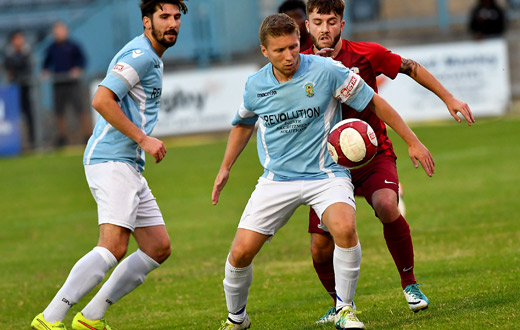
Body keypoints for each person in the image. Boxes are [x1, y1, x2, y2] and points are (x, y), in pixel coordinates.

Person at [212, 13, 434, 330]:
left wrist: (412, 140)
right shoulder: (255, 85)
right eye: (280, 51)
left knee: (344, 229)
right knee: (240, 254)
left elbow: (374, 103)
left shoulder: (326, 70)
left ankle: (345, 309)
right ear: (264, 51)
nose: (289, 56)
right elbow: (243, 123)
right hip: (277, 181)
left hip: (325, 175)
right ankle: (237, 319)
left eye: (294, 47)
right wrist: (224, 169)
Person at [301, 0, 475, 323]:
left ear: (342, 24)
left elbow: (411, 67)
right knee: (319, 248)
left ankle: (410, 284)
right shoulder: (300, 65)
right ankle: (338, 303)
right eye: (318, 21)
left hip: (373, 154)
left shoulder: (365, 54)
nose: (325, 29)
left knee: (386, 205)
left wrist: (448, 98)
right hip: (327, 167)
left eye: (331, 21)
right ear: (307, 26)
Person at [31, 1, 188, 329]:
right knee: (113, 246)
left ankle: (90, 319)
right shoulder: (141, 55)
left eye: (176, 17)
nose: (172, 23)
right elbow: (101, 99)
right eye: (164, 17)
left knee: (158, 246)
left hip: (128, 163)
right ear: (147, 21)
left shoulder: (150, 57)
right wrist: (144, 139)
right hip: (111, 159)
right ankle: (50, 318)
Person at [42, 21, 91, 147]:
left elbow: (82, 60)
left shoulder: (73, 46)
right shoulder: (51, 48)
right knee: (59, 112)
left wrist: (77, 69)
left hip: (73, 83)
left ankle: (87, 135)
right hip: (58, 83)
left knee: (80, 109)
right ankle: (62, 137)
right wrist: (46, 71)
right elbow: (46, 63)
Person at [3, 30, 35, 149]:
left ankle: (33, 142)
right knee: (13, 117)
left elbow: (26, 67)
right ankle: (13, 143)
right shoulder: (8, 53)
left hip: (26, 87)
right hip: (13, 90)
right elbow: (8, 67)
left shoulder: (26, 51)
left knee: (29, 115)